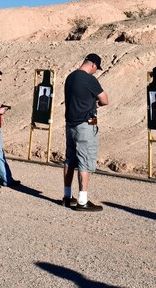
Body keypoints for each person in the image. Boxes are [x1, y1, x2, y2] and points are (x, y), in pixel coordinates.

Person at [62, 54, 109, 211]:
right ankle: (83, 201)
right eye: (96, 69)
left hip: (70, 124)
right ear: (93, 65)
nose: (95, 72)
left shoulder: (70, 77)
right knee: (85, 161)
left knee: (70, 160)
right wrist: (95, 103)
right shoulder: (89, 79)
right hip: (85, 125)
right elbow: (105, 99)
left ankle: (67, 196)